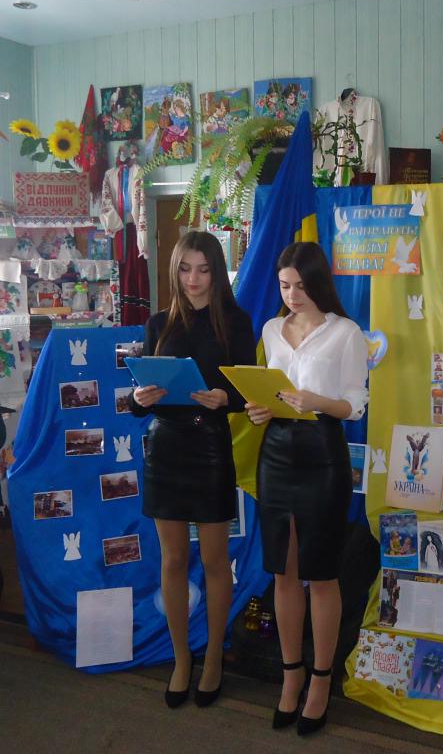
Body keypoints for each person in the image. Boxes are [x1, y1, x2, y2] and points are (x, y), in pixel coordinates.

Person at [245, 242, 368, 736]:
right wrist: (260, 409)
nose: (292, 295)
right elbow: (271, 391)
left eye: (299, 285)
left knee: (321, 573)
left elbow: (355, 405)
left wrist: (318, 401)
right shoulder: (271, 330)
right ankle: (290, 674)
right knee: (284, 569)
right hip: (276, 452)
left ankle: (321, 679)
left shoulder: (346, 332)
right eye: (284, 285)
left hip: (322, 452)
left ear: (317, 282)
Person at [129, 231, 256, 709]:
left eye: (203, 270)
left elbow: (246, 393)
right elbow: (140, 398)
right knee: (173, 560)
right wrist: (140, 398)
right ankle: (181, 658)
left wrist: (227, 398)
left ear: (217, 272)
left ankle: (214, 657)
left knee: (215, 560)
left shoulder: (236, 322)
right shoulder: (158, 323)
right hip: (166, 447)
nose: (193, 279)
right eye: (185, 269)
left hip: (209, 447)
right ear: (175, 271)